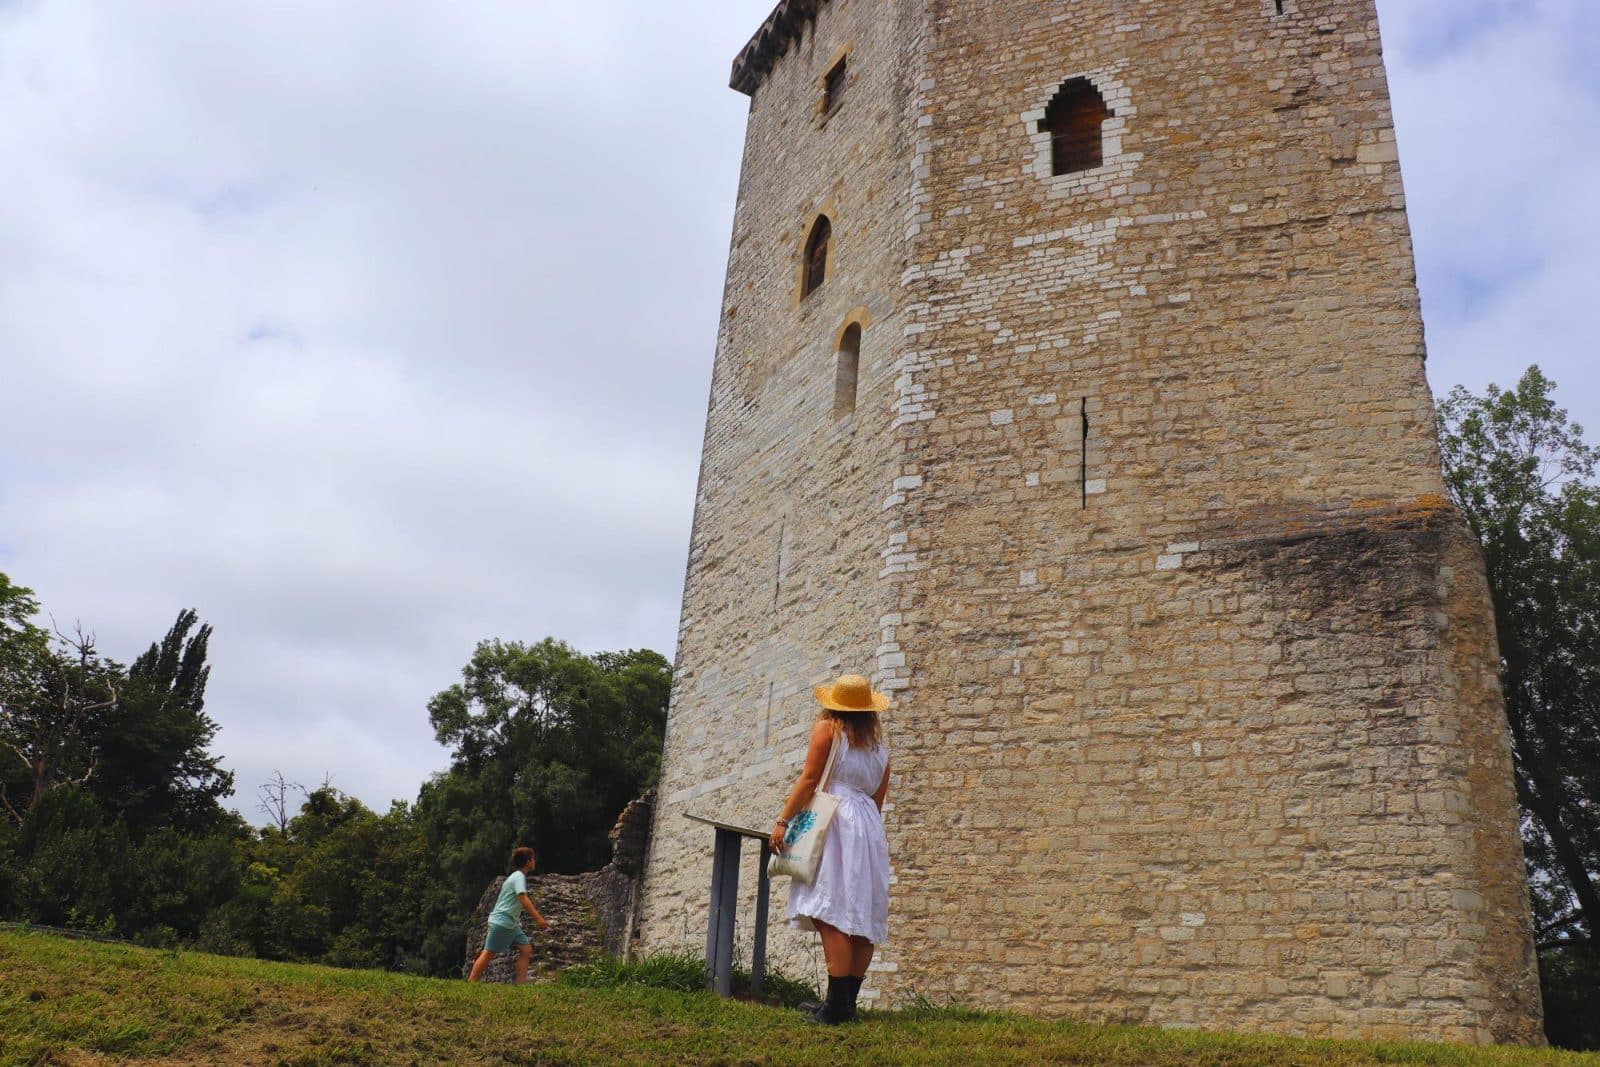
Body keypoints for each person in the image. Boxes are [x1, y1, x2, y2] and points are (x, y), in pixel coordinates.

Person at [770, 673, 892, 1025]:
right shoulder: (880, 752)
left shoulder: (828, 731)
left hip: (834, 820)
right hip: (868, 828)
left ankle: (836, 1008)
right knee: (861, 918)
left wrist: (783, 821)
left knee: (830, 910)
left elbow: (810, 779)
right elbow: (876, 802)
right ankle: (844, 1004)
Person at [467, 845, 549, 984]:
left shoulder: (515, 877)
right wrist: (538, 918)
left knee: (526, 949)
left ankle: (519, 985)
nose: (534, 861)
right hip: (502, 922)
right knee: (488, 953)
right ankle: (471, 983)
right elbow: (522, 898)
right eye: (533, 858)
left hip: (509, 923)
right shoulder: (518, 877)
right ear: (528, 861)